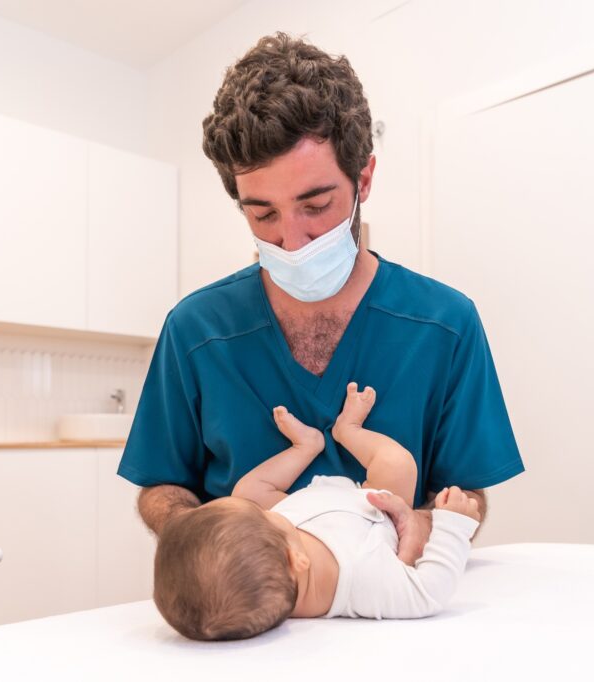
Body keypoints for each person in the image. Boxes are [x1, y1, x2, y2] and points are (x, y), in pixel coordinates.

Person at [118, 32, 523, 563]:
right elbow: (162, 486)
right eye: (263, 213)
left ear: (363, 179)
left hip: (391, 591)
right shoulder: (197, 330)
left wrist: (425, 525)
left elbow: (467, 491)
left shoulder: (445, 324)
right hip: (250, 600)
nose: (291, 241)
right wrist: (207, 544)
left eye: (315, 205)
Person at [154, 382, 481, 640]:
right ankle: (349, 430)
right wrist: (453, 526)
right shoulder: (365, 583)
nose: (264, 512)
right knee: (398, 464)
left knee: (246, 492)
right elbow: (429, 592)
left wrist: (263, 514)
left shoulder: (271, 564)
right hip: (373, 503)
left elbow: (258, 528)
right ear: (296, 559)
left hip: (309, 503)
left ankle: (306, 446)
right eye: (266, 518)